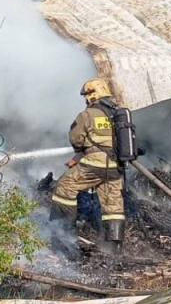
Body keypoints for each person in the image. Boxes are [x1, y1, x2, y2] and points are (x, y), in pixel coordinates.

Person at [50, 78, 125, 243]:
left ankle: (62, 232)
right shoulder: (118, 114)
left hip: (94, 164)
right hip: (115, 167)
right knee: (113, 207)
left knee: (65, 186)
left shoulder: (88, 114)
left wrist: (80, 151)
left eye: (87, 95)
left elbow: (76, 138)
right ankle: (115, 247)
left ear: (93, 94)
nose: (85, 99)